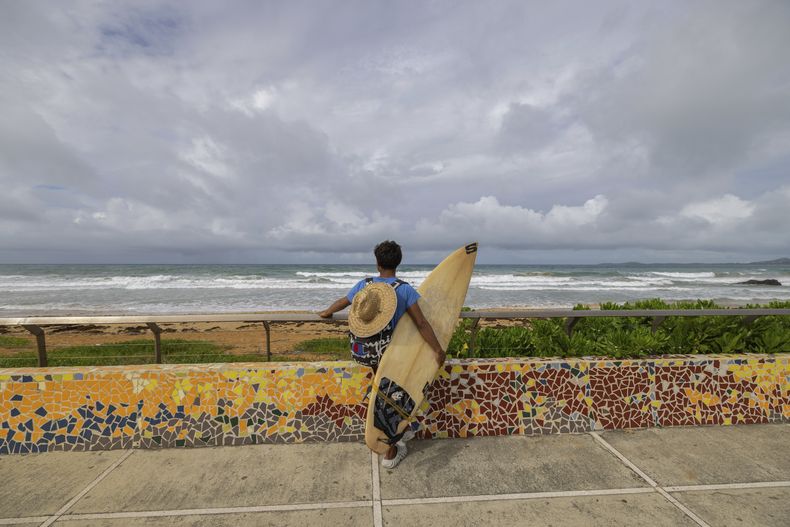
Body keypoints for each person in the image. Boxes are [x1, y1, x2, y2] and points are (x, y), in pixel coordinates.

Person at [318, 240, 445, 468]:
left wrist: (327, 311)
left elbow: (343, 302)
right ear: (398, 263)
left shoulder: (365, 285)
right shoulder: (403, 290)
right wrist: (437, 349)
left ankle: (402, 434)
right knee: (391, 398)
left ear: (377, 264)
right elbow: (422, 323)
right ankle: (391, 449)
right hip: (391, 356)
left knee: (383, 395)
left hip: (366, 354)